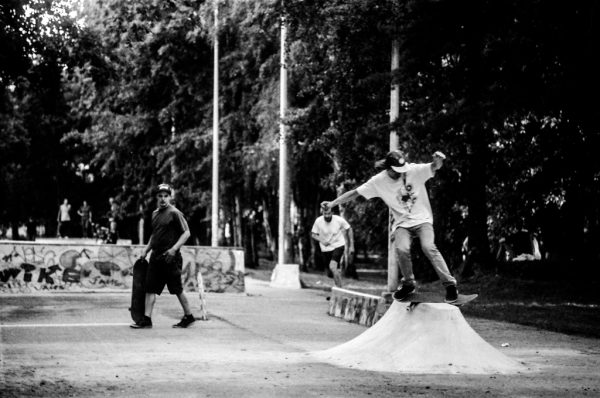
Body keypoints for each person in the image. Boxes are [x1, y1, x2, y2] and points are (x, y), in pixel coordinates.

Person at [321, 149, 460, 303]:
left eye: (402, 170)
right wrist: (333, 203)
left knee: (428, 247)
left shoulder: (413, 170)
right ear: (388, 169)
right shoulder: (378, 181)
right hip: (402, 223)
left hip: (423, 220)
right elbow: (355, 193)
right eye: (396, 171)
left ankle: (450, 285)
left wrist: (437, 163)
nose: (400, 174)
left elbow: (433, 167)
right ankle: (409, 284)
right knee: (401, 248)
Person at [131, 183, 195, 329]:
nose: (163, 199)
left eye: (166, 196)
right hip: (155, 257)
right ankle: (146, 319)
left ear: (170, 197)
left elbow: (186, 233)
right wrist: (146, 250)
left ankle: (189, 316)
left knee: (177, 289)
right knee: (150, 288)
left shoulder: (175, 213)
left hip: (170, 258)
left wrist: (174, 249)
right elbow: (154, 236)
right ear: (156, 197)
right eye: (160, 196)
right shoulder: (154, 214)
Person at [311, 208, 354, 287]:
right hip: (325, 248)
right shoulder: (318, 221)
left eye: (329, 213)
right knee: (329, 273)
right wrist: (322, 240)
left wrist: (351, 246)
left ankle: (340, 288)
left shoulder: (338, 220)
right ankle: (337, 276)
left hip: (338, 245)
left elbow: (349, 228)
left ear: (332, 213)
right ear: (322, 213)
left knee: (332, 266)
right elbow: (313, 234)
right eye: (325, 214)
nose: (327, 216)